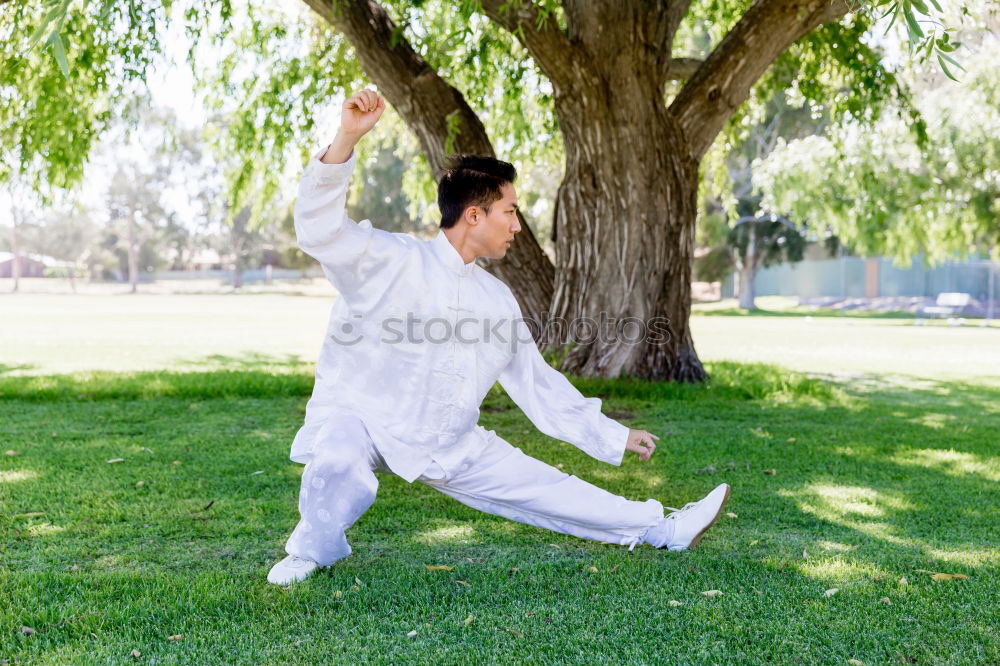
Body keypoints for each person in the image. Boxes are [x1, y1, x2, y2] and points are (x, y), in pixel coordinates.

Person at [267, 88, 730, 585]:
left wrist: (613, 435)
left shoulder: (496, 301)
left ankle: (663, 528)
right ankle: (313, 551)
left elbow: (537, 384)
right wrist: (347, 137)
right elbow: (319, 230)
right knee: (335, 455)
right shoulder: (390, 259)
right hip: (362, 419)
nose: (516, 224)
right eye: (509, 211)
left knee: (549, 488)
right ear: (473, 215)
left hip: (447, 442)